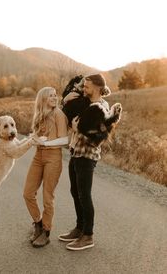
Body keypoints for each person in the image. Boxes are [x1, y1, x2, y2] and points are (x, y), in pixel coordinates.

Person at [58, 73, 112, 251]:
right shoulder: (86, 104)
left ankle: (88, 236)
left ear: (97, 87)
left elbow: (97, 138)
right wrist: (66, 100)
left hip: (87, 155)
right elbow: (68, 118)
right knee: (75, 192)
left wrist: (76, 129)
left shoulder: (101, 107)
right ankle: (79, 228)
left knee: (84, 195)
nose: (83, 88)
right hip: (76, 152)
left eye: (86, 86)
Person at [23, 86, 68, 248]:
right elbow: (38, 136)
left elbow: (64, 140)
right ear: (43, 99)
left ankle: (46, 232)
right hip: (38, 155)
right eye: (51, 96)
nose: (55, 98)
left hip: (53, 157)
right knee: (28, 193)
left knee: (47, 197)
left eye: (56, 95)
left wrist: (45, 142)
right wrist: (34, 139)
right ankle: (38, 223)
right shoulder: (40, 115)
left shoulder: (59, 114)